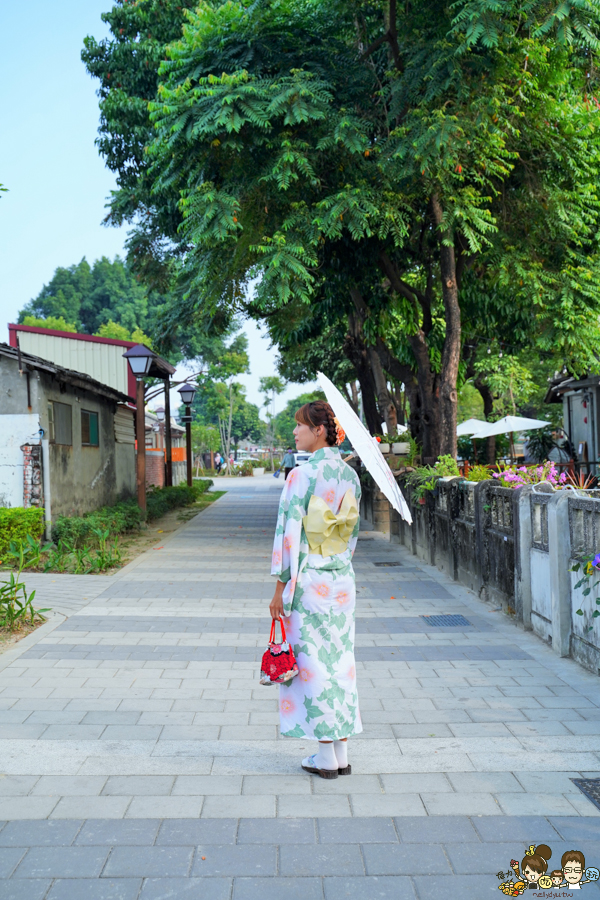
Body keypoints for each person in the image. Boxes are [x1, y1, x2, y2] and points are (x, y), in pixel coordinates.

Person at [269, 400, 361, 778]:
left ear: (319, 430)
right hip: (341, 577)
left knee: (314, 666)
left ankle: (324, 755)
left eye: (300, 426)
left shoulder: (301, 476)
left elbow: (288, 535)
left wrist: (280, 587)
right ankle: (340, 751)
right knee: (341, 663)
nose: (295, 432)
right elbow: (349, 534)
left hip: (309, 580)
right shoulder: (350, 476)